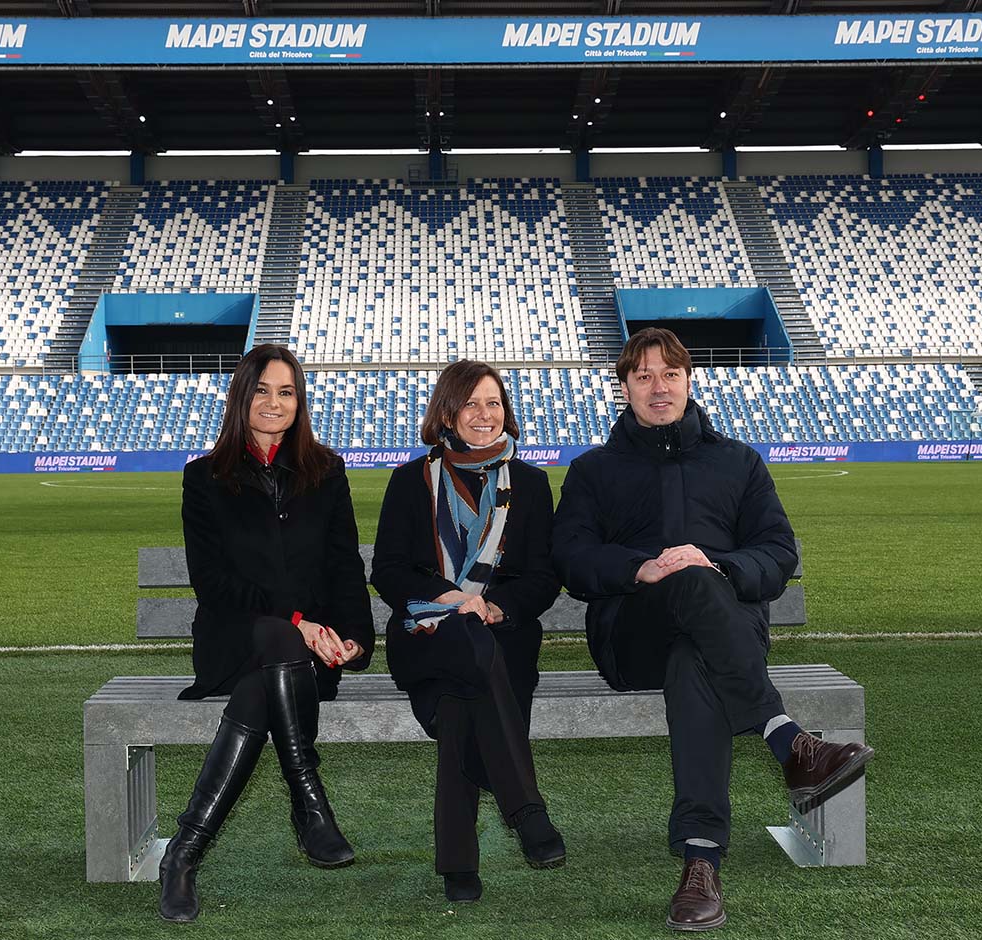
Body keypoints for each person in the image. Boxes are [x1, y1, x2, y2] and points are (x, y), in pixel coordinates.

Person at [552, 328, 874, 932]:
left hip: (720, 644)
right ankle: (787, 741)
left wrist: (720, 563)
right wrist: (639, 566)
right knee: (688, 591)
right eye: (643, 376)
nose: (658, 387)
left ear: (689, 380)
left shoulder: (737, 461)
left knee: (694, 655)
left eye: (669, 374)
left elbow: (777, 553)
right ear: (623, 387)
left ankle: (701, 863)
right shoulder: (595, 469)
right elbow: (569, 556)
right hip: (632, 635)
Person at [158, 344, 375, 922]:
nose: (274, 403)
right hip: (235, 639)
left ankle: (183, 854)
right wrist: (299, 623)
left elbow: (344, 565)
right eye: (261, 390)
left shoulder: (326, 472)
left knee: (269, 680)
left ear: (300, 402)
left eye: (286, 392)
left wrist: (352, 636)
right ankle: (310, 805)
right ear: (241, 397)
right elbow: (214, 583)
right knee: (277, 642)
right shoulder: (204, 479)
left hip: (303, 660)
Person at [371, 360, 565, 903]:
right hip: (424, 634)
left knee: (463, 697)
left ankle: (459, 863)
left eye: (494, 403)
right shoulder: (410, 481)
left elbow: (542, 577)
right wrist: (457, 601)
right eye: (471, 403)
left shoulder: (529, 483)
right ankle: (525, 810)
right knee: (465, 646)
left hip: (502, 638)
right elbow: (387, 570)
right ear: (447, 413)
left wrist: (494, 608)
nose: (484, 414)